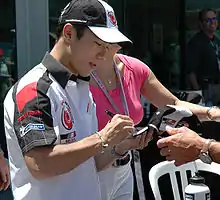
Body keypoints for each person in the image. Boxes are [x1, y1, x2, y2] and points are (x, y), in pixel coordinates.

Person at [3, 1, 135, 200]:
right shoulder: (34, 89)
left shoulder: (82, 88)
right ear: (69, 33)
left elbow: (88, 163)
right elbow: (40, 164)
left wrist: (122, 146)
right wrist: (101, 138)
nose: (102, 55)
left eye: (108, 48)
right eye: (99, 44)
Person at [89, 19, 220, 200]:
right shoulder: (78, 76)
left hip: (125, 167)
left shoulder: (133, 68)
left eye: (113, 42)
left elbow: (173, 103)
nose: (110, 48)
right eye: (100, 42)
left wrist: (212, 113)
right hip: (92, 169)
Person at [186, 8, 220, 106]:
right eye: (208, 20)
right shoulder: (196, 42)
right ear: (201, 24)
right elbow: (190, 71)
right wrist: (198, 92)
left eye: (214, 19)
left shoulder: (216, 41)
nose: (212, 22)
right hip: (206, 88)